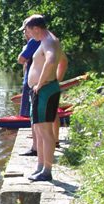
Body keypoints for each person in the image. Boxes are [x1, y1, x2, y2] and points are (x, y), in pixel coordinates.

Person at [22, 14, 66, 182]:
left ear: (36, 28)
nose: (27, 33)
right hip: (45, 89)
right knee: (40, 131)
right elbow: (64, 62)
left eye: (27, 30)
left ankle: (47, 171)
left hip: (44, 90)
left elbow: (52, 60)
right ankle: (40, 167)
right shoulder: (49, 40)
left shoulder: (48, 41)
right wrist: (55, 81)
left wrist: (40, 84)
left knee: (45, 133)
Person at [17, 27, 41, 156]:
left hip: (32, 84)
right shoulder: (48, 40)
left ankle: (35, 147)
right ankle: (40, 143)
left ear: (32, 29)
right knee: (35, 115)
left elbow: (21, 59)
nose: (24, 33)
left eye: (25, 30)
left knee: (33, 116)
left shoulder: (33, 42)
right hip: (38, 82)